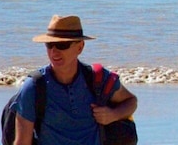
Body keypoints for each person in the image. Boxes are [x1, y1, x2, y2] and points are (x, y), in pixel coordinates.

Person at [8, 15, 139, 145]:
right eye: (49, 45)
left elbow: (131, 101)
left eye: (62, 45)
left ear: (80, 47)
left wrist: (113, 115)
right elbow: (22, 142)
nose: (54, 52)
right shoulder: (34, 87)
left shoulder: (97, 78)